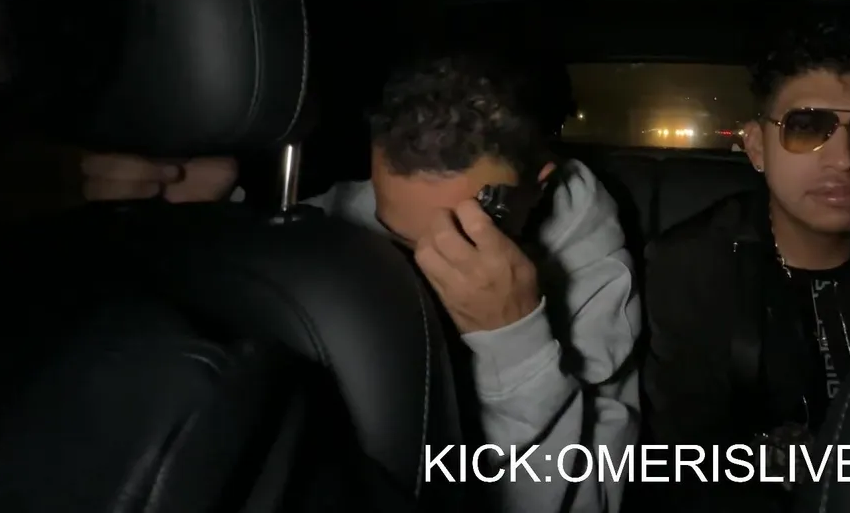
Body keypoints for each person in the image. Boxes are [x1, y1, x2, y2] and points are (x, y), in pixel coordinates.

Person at [80, 51, 641, 513]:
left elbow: (587, 500)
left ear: (539, 185)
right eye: (399, 232)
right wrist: (206, 221)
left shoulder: (595, 279)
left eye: (468, 230)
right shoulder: (353, 206)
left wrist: (517, 348)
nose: (432, 259)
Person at [639, 21, 850, 510]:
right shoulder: (692, 265)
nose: (845, 159)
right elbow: (689, 459)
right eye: (806, 127)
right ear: (757, 147)